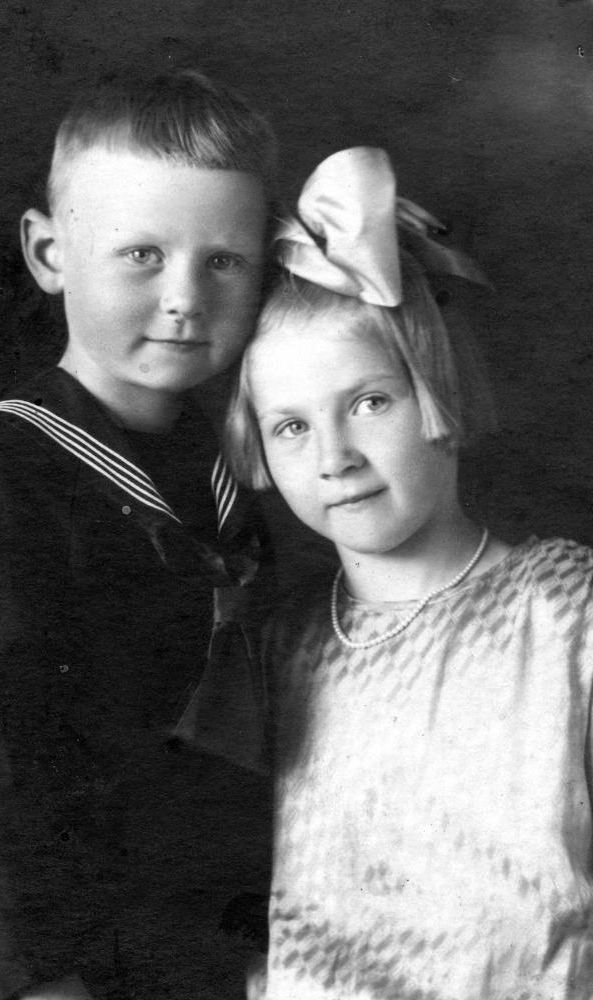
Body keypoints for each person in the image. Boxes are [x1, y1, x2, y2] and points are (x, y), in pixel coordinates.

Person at [0, 70, 277, 1000]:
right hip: (40, 971)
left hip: (206, 949)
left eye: (224, 260)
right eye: (141, 254)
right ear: (47, 252)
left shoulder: (237, 468)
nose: (185, 297)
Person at [224, 147, 593, 1000]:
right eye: (290, 427)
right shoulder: (280, 645)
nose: (335, 458)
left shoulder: (566, 612)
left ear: (436, 389)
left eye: (368, 403)